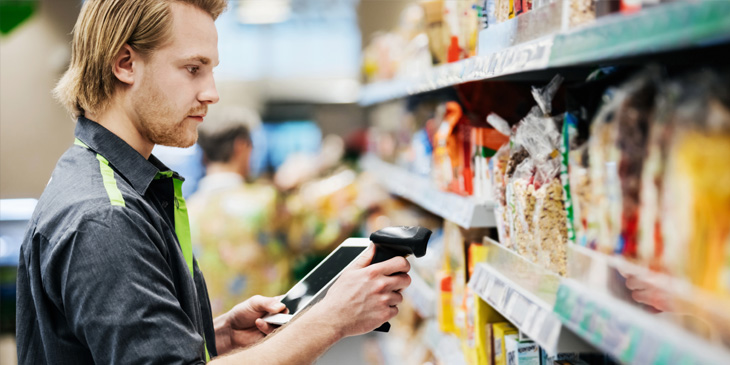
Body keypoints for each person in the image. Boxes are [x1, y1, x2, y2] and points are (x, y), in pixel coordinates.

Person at [16, 1, 411, 364]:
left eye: (211, 70)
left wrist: (212, 335)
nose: (212, 93)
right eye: (193, 69)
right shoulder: (105, 217)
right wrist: (333, 319)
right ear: (125, 63)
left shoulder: (104, 179)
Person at [188, 107, 290, 317]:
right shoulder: (266, 201)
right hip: (265, 331)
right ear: (241, 146)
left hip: (210, 337)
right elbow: (315, 234)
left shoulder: (185, 211)